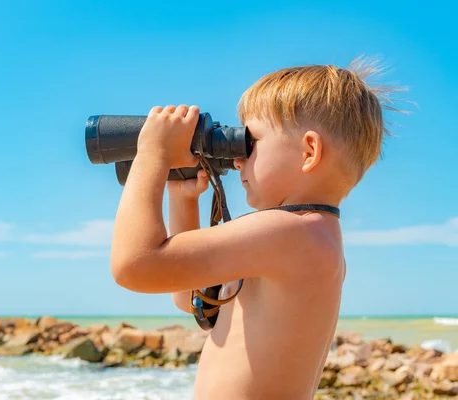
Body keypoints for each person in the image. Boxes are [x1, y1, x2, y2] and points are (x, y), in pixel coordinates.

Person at [110, 57, 405, 399]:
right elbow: (187, 293)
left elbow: (135, 266)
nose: (238, 160)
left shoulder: (290, 232)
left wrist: (153, 154)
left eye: (251, 143)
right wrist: (183, 198)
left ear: (309, 151)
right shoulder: (305, 234)